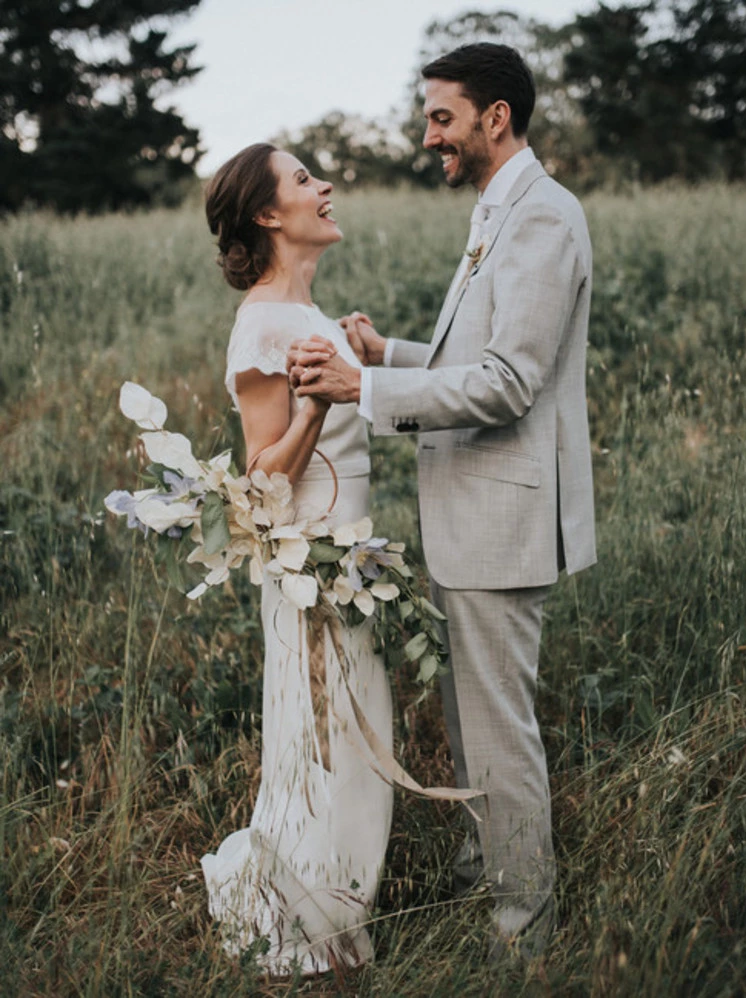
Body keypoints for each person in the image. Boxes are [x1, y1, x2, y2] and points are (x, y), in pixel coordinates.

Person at [288, 43, 597, 959]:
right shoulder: (498, 212)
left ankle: (522, 934)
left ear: (496, 118)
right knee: (471, 723)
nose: (429, 137)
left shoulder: (543, 218)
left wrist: (361, 392)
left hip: (503, 522)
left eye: (442, 118)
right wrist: (390, 356)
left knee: (500, 735)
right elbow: (474, 358)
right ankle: (486, 870)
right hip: (472, 515)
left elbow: (507, 383)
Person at [199, 143, 394, 976]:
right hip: (311, 574)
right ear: (270, 215)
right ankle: (308, 942)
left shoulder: (309, 317)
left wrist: (359, 359)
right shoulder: (264, 324)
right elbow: (258, 480)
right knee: (326, 751)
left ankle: (334, 920)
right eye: (306, 180)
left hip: (350, 565)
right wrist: (313, 410)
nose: (327, 187)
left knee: (353, 749)